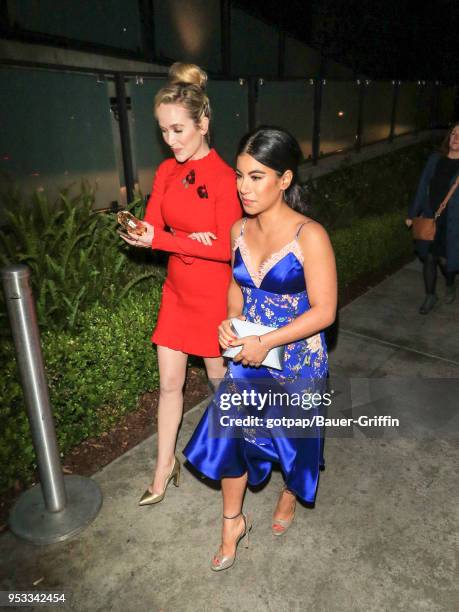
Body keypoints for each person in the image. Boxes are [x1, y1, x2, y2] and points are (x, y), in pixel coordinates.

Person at [183, 126, 337, 571]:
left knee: (295, 441)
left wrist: (264, 341)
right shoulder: (238, 229)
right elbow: (236, 286)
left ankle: (290, 491)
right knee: (229, 430)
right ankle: (232, 522)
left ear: (285, 179)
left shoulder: (311, 235)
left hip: (297, 359)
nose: (243, 187)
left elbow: (325, 311)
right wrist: (228, 324)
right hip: (248, 356)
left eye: (256, 177)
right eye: (239, 175)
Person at [120, 62, 241, 505]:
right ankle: (162, 468)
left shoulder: (226, 178)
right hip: (177, 293)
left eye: (177, 130)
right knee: (169, 385)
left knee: (220, 384)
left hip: (213, 295)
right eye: (163, 131)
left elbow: (228, 249)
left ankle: (236, 456)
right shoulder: (168, 171)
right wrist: (141, 232)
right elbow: (154, 230)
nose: (170, 140)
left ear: (202, 124)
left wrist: (172, 239)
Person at [406, 122, 459, 314]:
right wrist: (413, 214)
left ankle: (451, 282)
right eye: (453, 133)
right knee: (429, 257)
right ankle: (430, 295)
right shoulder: (435, 159)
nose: (456, 138)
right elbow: (422, 187)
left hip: (454, 222)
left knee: (446, 261)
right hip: (431, 217)